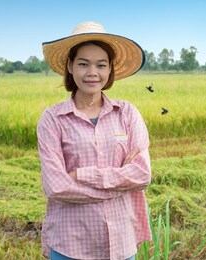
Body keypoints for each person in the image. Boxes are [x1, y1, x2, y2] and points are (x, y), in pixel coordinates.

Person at [37, 21, 152, 260]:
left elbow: (142, 175)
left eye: (101, 65)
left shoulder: (127, 113)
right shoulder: (53, 119)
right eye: (83, 64)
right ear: (70, 66)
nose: (92, 73)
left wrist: (81, 175)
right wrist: (119, 186)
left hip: (120, 241)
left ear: (110, 69)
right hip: (71, 242)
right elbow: (56, 187)